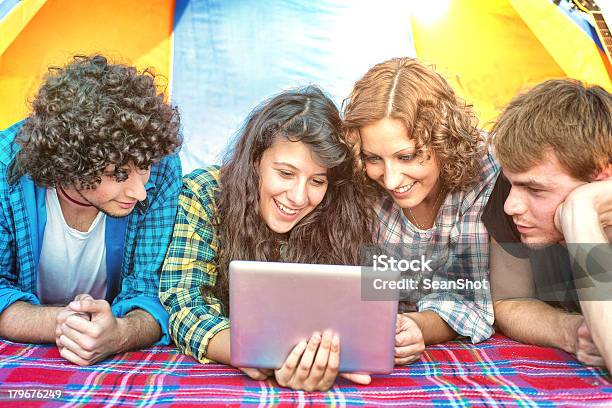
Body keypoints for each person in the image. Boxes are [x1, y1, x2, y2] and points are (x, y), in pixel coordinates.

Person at [159, 86, 375, 391]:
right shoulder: (205, 193)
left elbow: (362, 310)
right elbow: (183, 304)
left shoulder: (339, 211)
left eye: (317, 181)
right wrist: (254, 354)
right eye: (286, 174)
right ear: (256, 160)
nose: (299, 197)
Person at [0, 55, 183, 366]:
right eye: (120, 175)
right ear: (70, 163)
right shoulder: (6, 170)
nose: (140, 192)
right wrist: (67, 324)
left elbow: (154, 289)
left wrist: (121, 332)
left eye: (144, 169)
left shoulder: (162, 166)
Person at [342, 57, 499, 365]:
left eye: (407, 156)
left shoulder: (483, 174)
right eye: (374, 158)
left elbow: (469, 294)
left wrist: (417, 326)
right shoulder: (360, 179)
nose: (390, 179)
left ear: (444, 140)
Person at [482, 78, 612, 370]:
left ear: (602, 178)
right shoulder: (515, 190)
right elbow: (509, 300)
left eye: (536, 190)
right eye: (512, 183)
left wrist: (582, 210)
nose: (510, 206)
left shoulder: (583, 203)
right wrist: (569, 331)